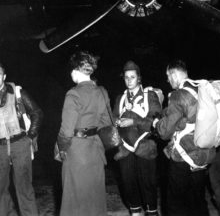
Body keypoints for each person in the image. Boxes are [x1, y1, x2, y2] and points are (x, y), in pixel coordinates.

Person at [0, 61, 43, 216]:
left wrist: (29, 137)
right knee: (1, 190)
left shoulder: (17, 92)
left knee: (24, 188)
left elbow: (37, 113)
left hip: (19, 144)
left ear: (4, 76)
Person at [57, 51, 112, 216]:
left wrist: (61, 148)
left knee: (74, 199)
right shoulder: (102, 92)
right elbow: (106, 124)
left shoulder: (73, 94)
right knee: (94, 198)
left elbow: (66, 131)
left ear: (75, 70)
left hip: (76, 152)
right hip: (95, 150)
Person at [153, 59, 209, 216]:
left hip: (183, 156)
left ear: (174, 74)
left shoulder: (178, 95)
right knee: (198, 201)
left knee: (175, 204)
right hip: (202, 154)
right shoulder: (201, 90)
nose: (167, 79)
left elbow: (164, 132)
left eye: (168, 75)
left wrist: (157, 123)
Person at [113, 61, 162, 216]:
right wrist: (115, 121)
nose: (129, 80)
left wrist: (134, 121)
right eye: (126, 77)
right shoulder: (120, 99)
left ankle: (152, 211)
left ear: (139, 78)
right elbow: (113, 117)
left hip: (145, 146)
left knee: (148, 184)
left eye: (132, 77)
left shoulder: (150, 96)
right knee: (128, 183)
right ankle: (135, 211)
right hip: (126, 148)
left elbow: (157, 123)